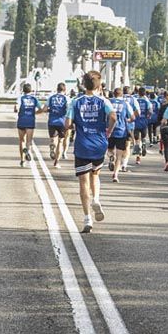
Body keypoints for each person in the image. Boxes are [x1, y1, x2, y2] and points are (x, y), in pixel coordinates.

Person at [65, 70, 116, 233]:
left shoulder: (75, 101)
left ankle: (87, 218)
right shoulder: (103, 101)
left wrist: (74, 125)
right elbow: (114, 117)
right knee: (95, 174)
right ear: (99, 85)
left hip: (82, 144)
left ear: (83, 85)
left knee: (83, 182)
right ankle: (96, 198)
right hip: (99, 143)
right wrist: (108, 131)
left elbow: (67, 123)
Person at [107, 88, 135, 183]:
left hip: (110, 130)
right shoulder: (125, 104)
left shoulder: (108, 102)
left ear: (114, 94)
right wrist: (127, 120)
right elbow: (132, 117)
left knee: (110, 149)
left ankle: (111, 156)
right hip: (121, 131)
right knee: (119, 155)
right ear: (122, 94)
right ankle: (115, 175)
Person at [14, 83, 44, 166]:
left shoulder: (20, 98)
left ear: (23, 90)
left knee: (21, 141)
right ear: (31, 90)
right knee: (28, 141)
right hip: (30, 121)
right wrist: (35, 113)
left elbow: (17, 108)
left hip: (21, 121)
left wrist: (16, 110)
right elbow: (41, 109)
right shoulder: (34, 99)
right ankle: (27, 150)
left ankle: (22, 160)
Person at [45, 83, 69, 167]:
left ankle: (52, 146)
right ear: (64, 90)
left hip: (52, 121)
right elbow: (69, 110)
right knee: (61, 141)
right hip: (62, 122)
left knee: (53, 139)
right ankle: (56, 162)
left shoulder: (51, 98)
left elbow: (45, 108)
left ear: (57, 89)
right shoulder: (66, 98)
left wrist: (48, 110)